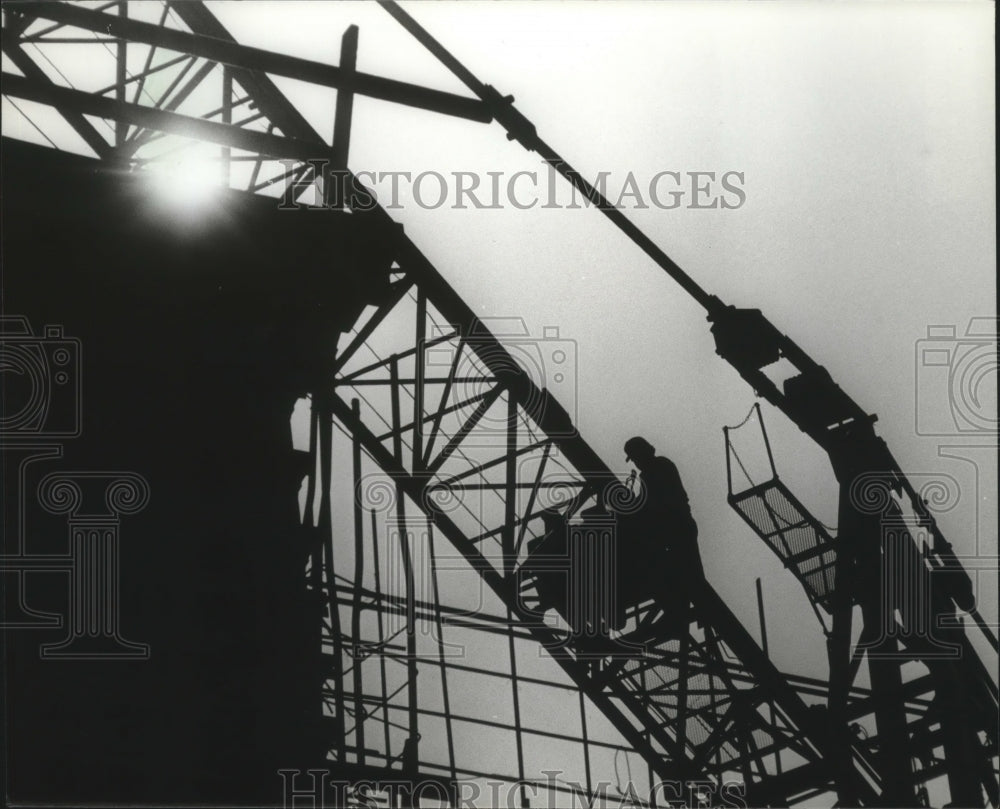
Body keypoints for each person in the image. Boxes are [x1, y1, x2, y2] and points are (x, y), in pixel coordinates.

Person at [622, 436, 704, 628]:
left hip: (675, 528)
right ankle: (685, 611)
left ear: (641, 453)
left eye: (634, 457)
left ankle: (685, 611)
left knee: (683, 572)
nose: (635, 461)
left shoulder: (656, 470)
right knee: (686, 572)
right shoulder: (658, 467)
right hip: (676, 527)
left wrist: (632, 507)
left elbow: (651, 504)